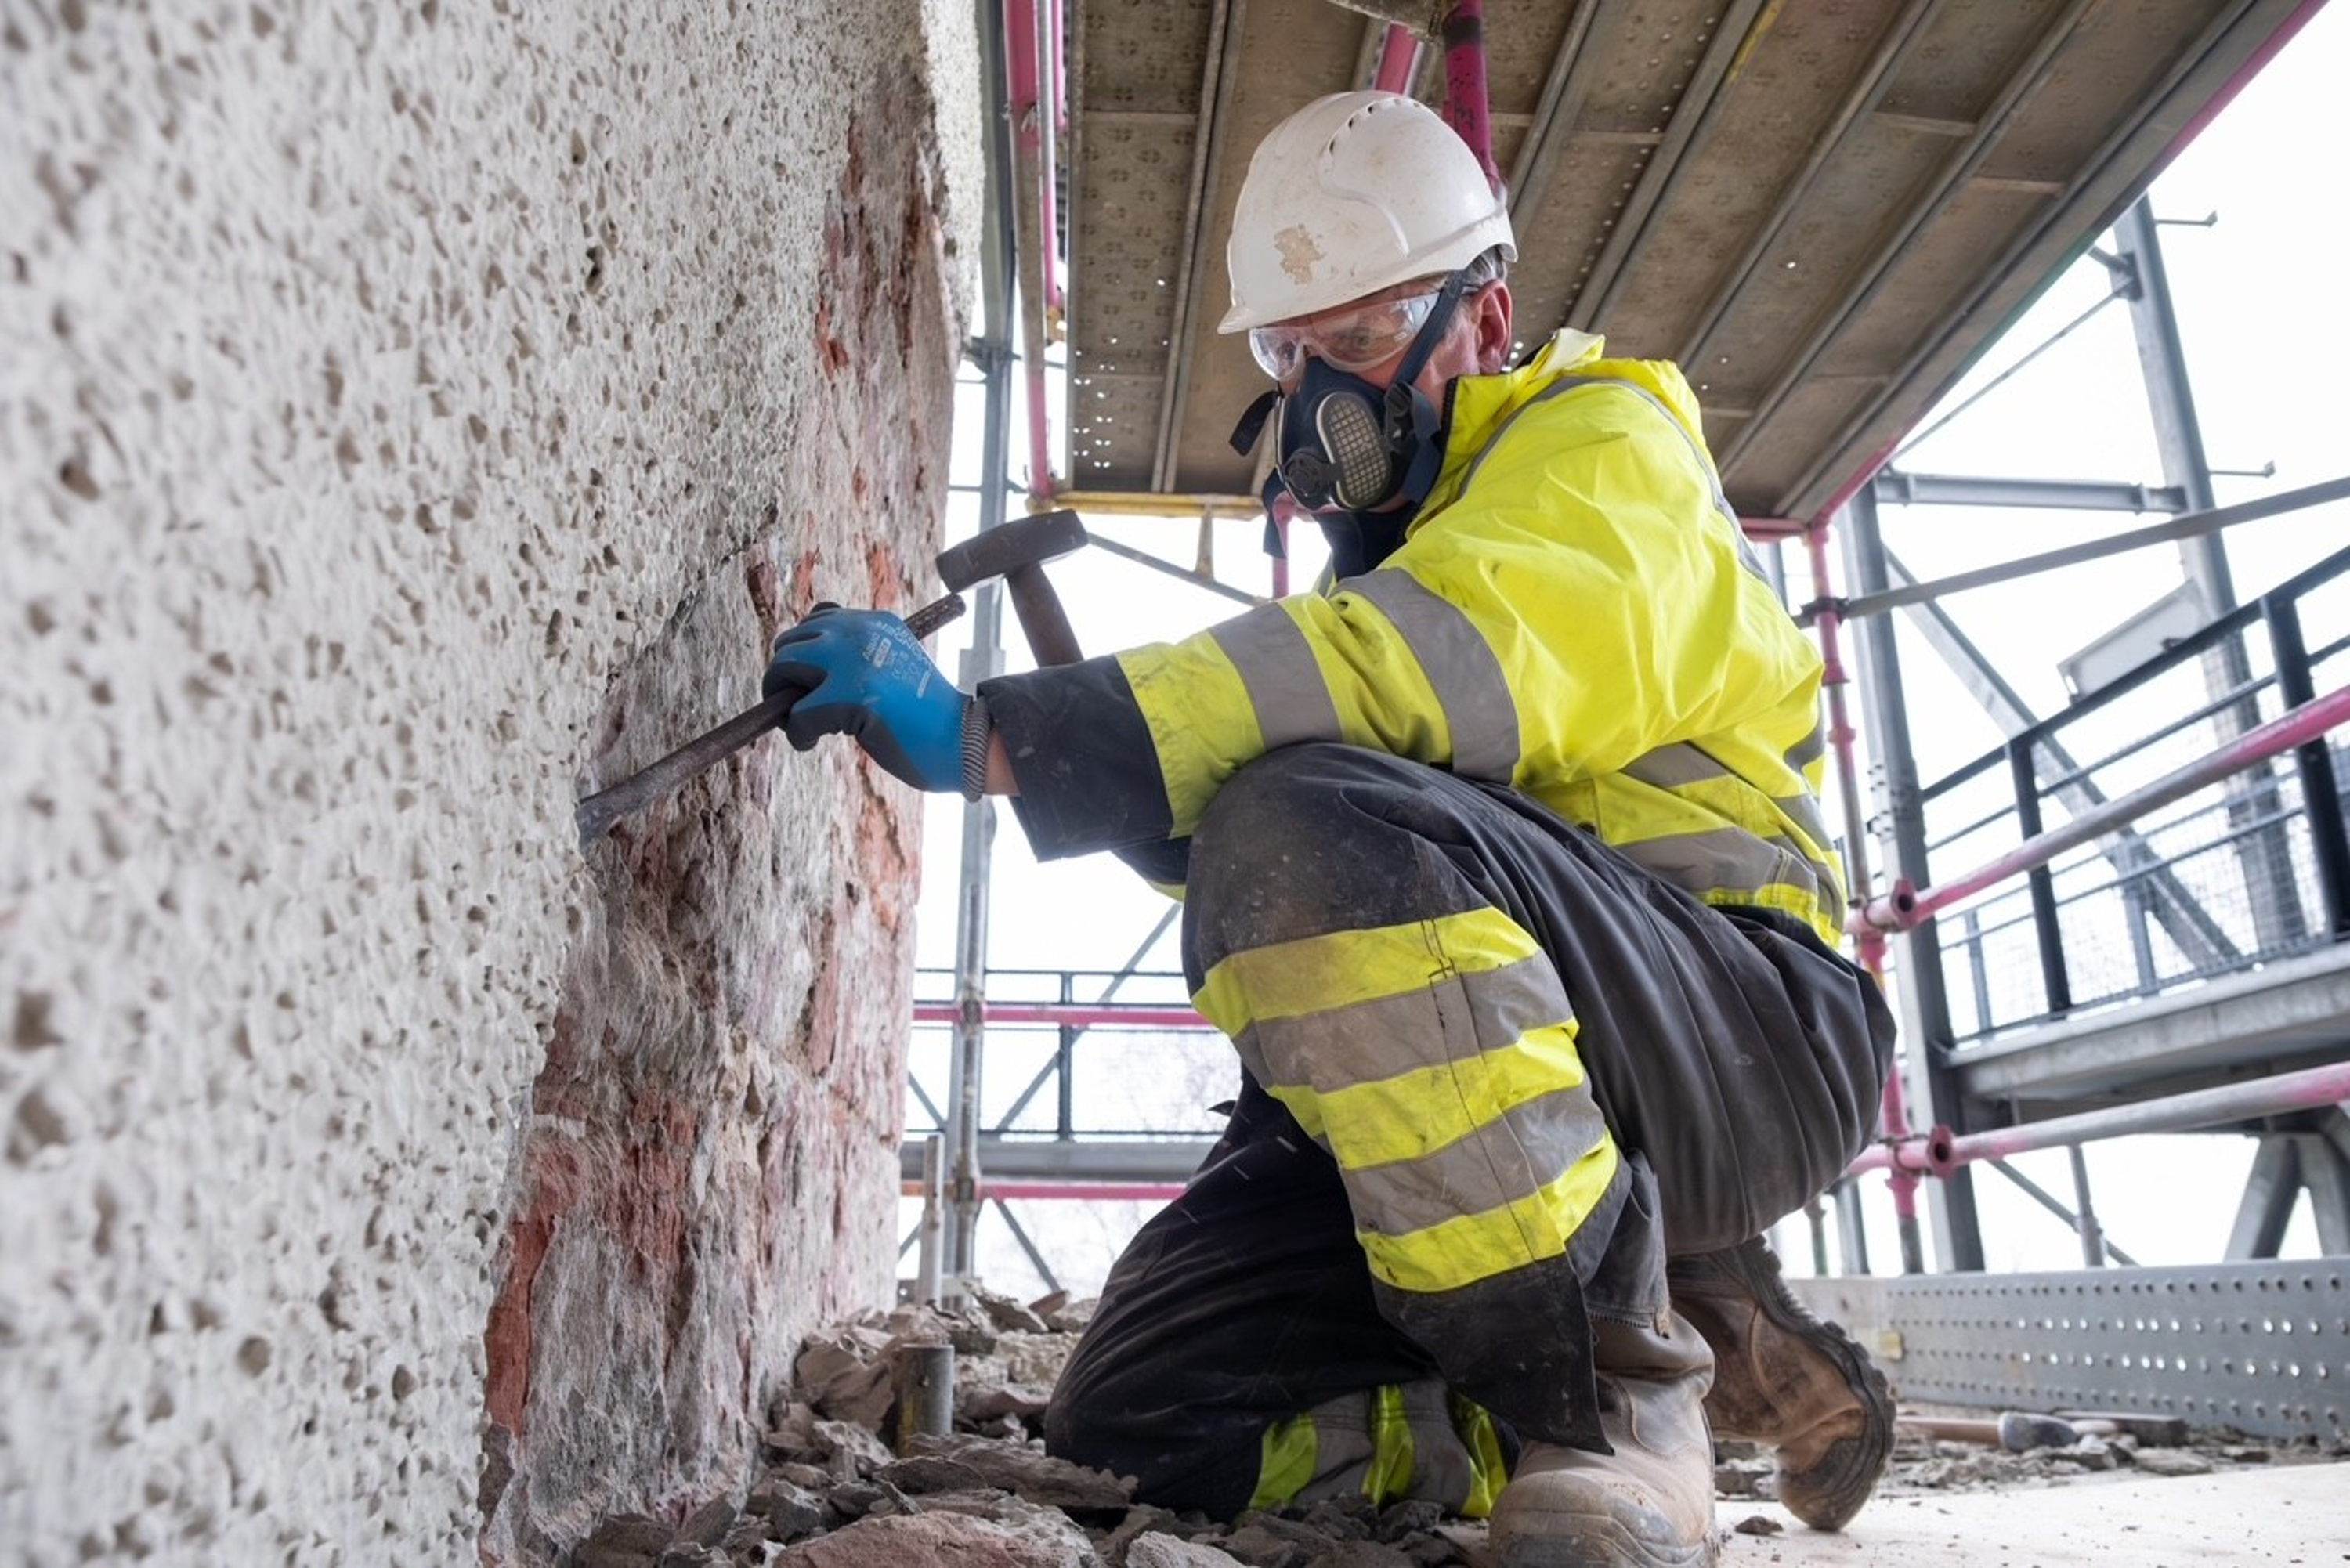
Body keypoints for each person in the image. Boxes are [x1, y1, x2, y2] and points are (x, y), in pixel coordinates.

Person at [765, 90, 1897, 1566]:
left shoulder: (1608, 452)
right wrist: (1115, 777)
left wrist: (1008, 736)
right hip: (1499, 1018)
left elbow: (1421, 680)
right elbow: (1285, 813)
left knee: (1300, 821)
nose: (1318, 398)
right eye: (1288, 356)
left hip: (1731, 1029)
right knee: (1151, 1416)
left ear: (1483, 321)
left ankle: (1619, 1408)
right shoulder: (1396, 562)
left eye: (1359, 348)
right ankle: (1683, 1326)